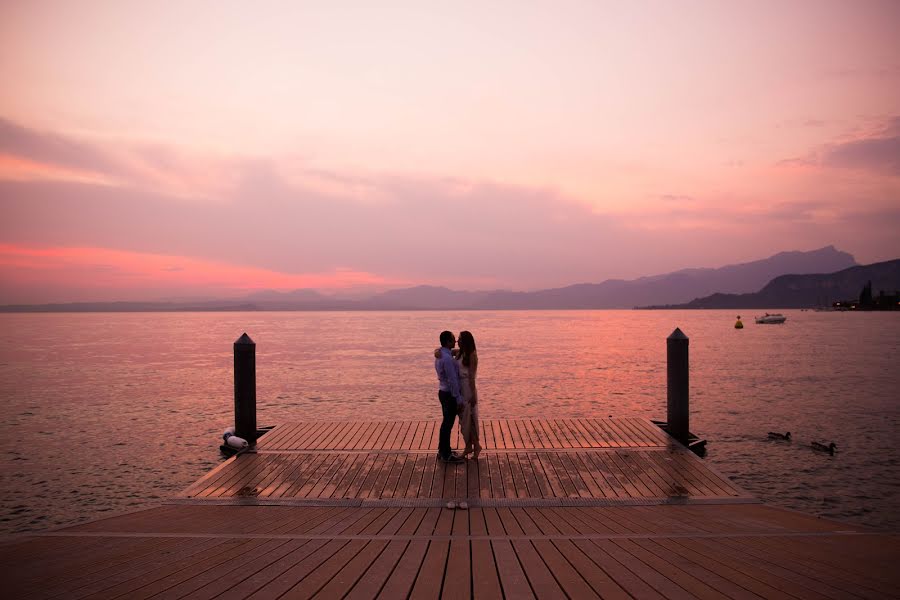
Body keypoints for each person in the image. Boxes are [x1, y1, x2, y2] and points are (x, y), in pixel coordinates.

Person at [435, 330, 464, 463]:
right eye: (453, 340)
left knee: (446, 423)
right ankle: (446, 454)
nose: (455, 342)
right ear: (447, 342)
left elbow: (452, 352)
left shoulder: (440, 354)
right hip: (448, 394)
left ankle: (443, 450)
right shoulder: (446, 359)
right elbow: (452, 380)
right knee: (448, 423)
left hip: (443, 392)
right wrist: (458, 398)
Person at [456, 331, 482, 459]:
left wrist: (472, 395)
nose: (457, 340)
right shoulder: (460, 352)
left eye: (460, 338)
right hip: (460, 387)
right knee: (463, 418)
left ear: (466, 340)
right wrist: (436, 352)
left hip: (468, 387)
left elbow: (472, 377)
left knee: (469, 418)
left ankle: (473, 446)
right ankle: (470, 446)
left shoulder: (472, 355)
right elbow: (442, 351)